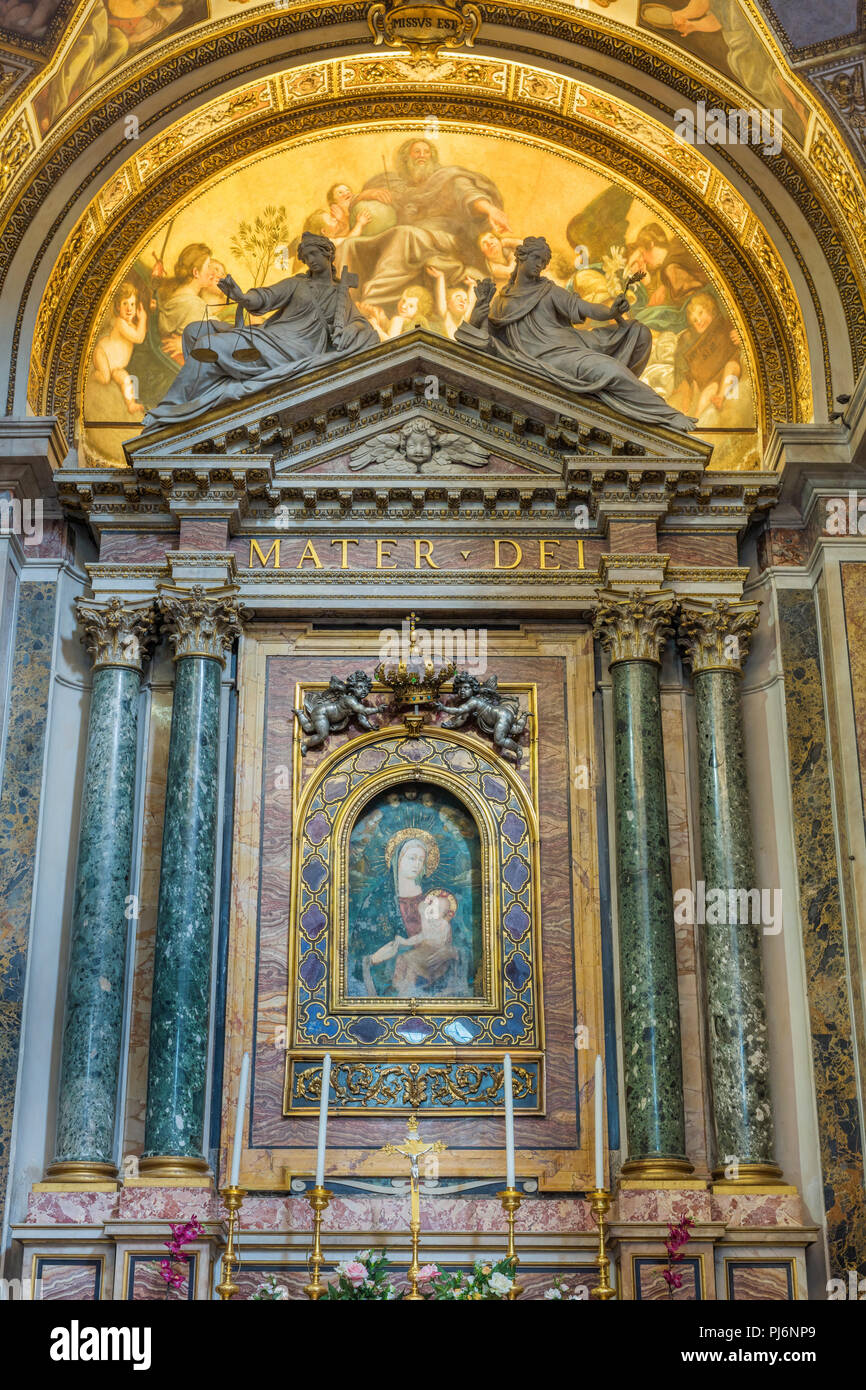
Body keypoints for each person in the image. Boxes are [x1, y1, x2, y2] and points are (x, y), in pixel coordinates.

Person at [456, 235, 696, 432]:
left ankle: (639, 410)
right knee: (611, 370)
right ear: (521, 257)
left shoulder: (548, 291)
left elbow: (583, 307)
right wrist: (481, 305)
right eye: (537, 259)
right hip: (546, 361)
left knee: (638, 332)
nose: (541, 265)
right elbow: (483, 336)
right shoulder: (500, 302)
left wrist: (610, 310)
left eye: (544, 262)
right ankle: (668, 416)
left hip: (569, 350)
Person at [141, 231, 379, 430]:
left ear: (328, 254)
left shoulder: (341, 294)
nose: (310, 260)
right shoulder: (297, 283)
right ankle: (204, 403)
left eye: (314, 254)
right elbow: (266, 297)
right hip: (272, 338)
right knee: (195, 331)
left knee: (207, 346)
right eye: (306, 257)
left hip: (296, 350)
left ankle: (169, 412)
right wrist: (241, 296)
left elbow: (362, 326)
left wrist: (352, 330)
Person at [342, 138, 511, 307]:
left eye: (426, 152)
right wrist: (367, 194)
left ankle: (373, 300)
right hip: (406, 234)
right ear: (406, 158)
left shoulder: (447, 178)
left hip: (446, 238)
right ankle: (345, 301)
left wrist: (490, 210)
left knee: (404, 235)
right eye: (416, 152)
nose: (421, 156)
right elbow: (351, 202)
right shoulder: (394, 183)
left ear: (432, 157)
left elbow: (468, 193)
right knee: (351, 245)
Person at [371, 889, 460, 994]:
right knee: (401, 958)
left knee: (411, 964)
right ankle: (396, 985)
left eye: (439, 909)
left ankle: (408, 989)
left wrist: (445, 951)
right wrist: (405, 941)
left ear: (445, 913)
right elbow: (420, 937)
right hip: (422, 951)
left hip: (434, 953)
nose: (433, 910)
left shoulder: (444, 926)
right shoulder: (429, 923)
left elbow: (445, 945)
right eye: (433, 906)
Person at [91, 280, 147, 415]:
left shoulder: (132, 326)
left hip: (117, 367)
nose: (129, 308)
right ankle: (91, 376)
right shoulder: (120, 323)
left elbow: (140, 333)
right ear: (118, 307)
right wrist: (143, 318)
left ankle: (131, 404)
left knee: (126, 380)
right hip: (103, 353)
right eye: (125, 304)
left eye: (132, 304)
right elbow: (139, 338)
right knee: (105, 378)